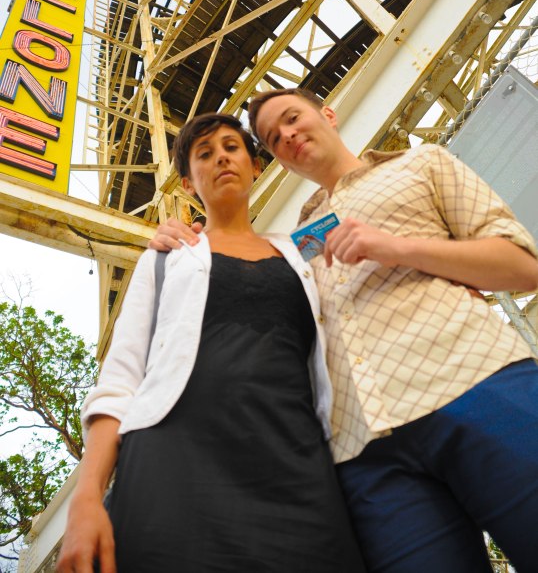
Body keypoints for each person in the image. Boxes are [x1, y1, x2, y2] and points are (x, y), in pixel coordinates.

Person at [152, 89, 538, 573]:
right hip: (364, 452)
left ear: (328, 115)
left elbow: (522, 266)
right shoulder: (293, 245)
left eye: (292, 118)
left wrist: (395, 248)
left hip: (475, 384)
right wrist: (183, 244)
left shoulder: (422, 164)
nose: (286, 135)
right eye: (272, 138)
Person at [56, 112, 365, 573]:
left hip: (296, 465)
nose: (221, 157)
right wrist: (86, 498)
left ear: (256, 165)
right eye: (205, 153)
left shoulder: (302, 254)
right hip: (171, 465)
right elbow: (119, 380)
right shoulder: (165, 259)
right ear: (187, 183)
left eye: (231, 147)